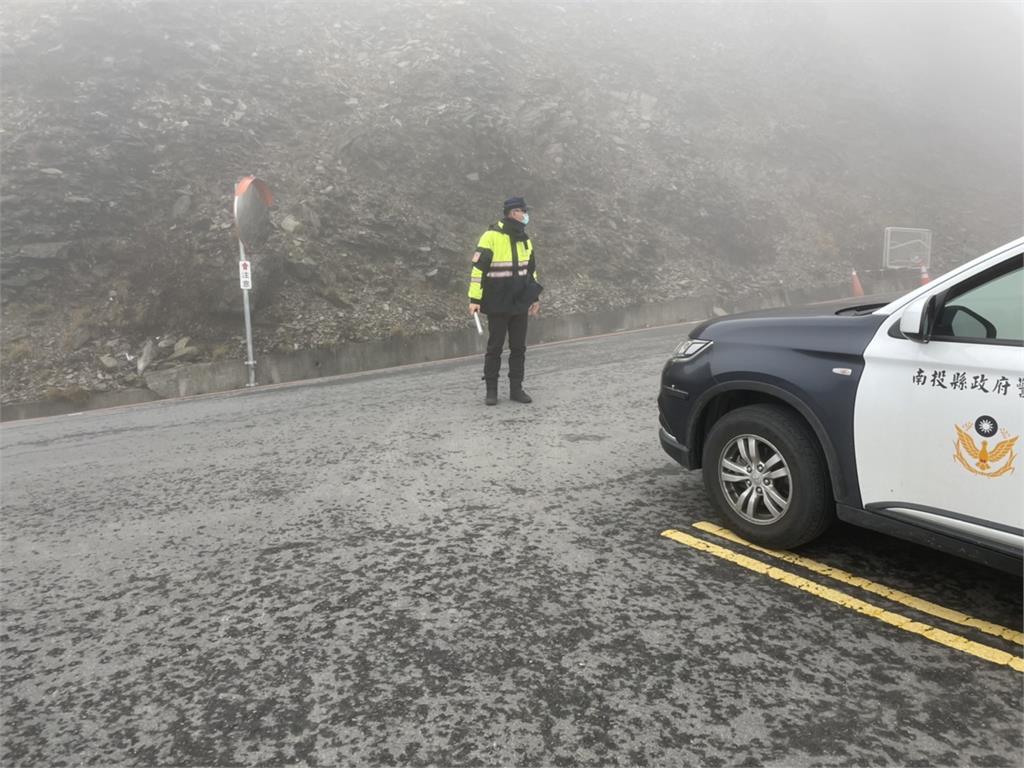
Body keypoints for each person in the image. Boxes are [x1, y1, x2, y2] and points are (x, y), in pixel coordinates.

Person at [468, 196, 543, 405]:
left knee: (519, 348)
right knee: (495, 348)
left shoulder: (525, 239)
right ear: (512, 213)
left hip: (520, 302)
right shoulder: (490, 236)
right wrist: (474, 298)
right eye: (523, 211)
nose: (526, 215)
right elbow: (477, 270)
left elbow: (530, 271)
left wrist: (534, 296)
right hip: (497, 302)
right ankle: (491, 390)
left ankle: (516, 389)